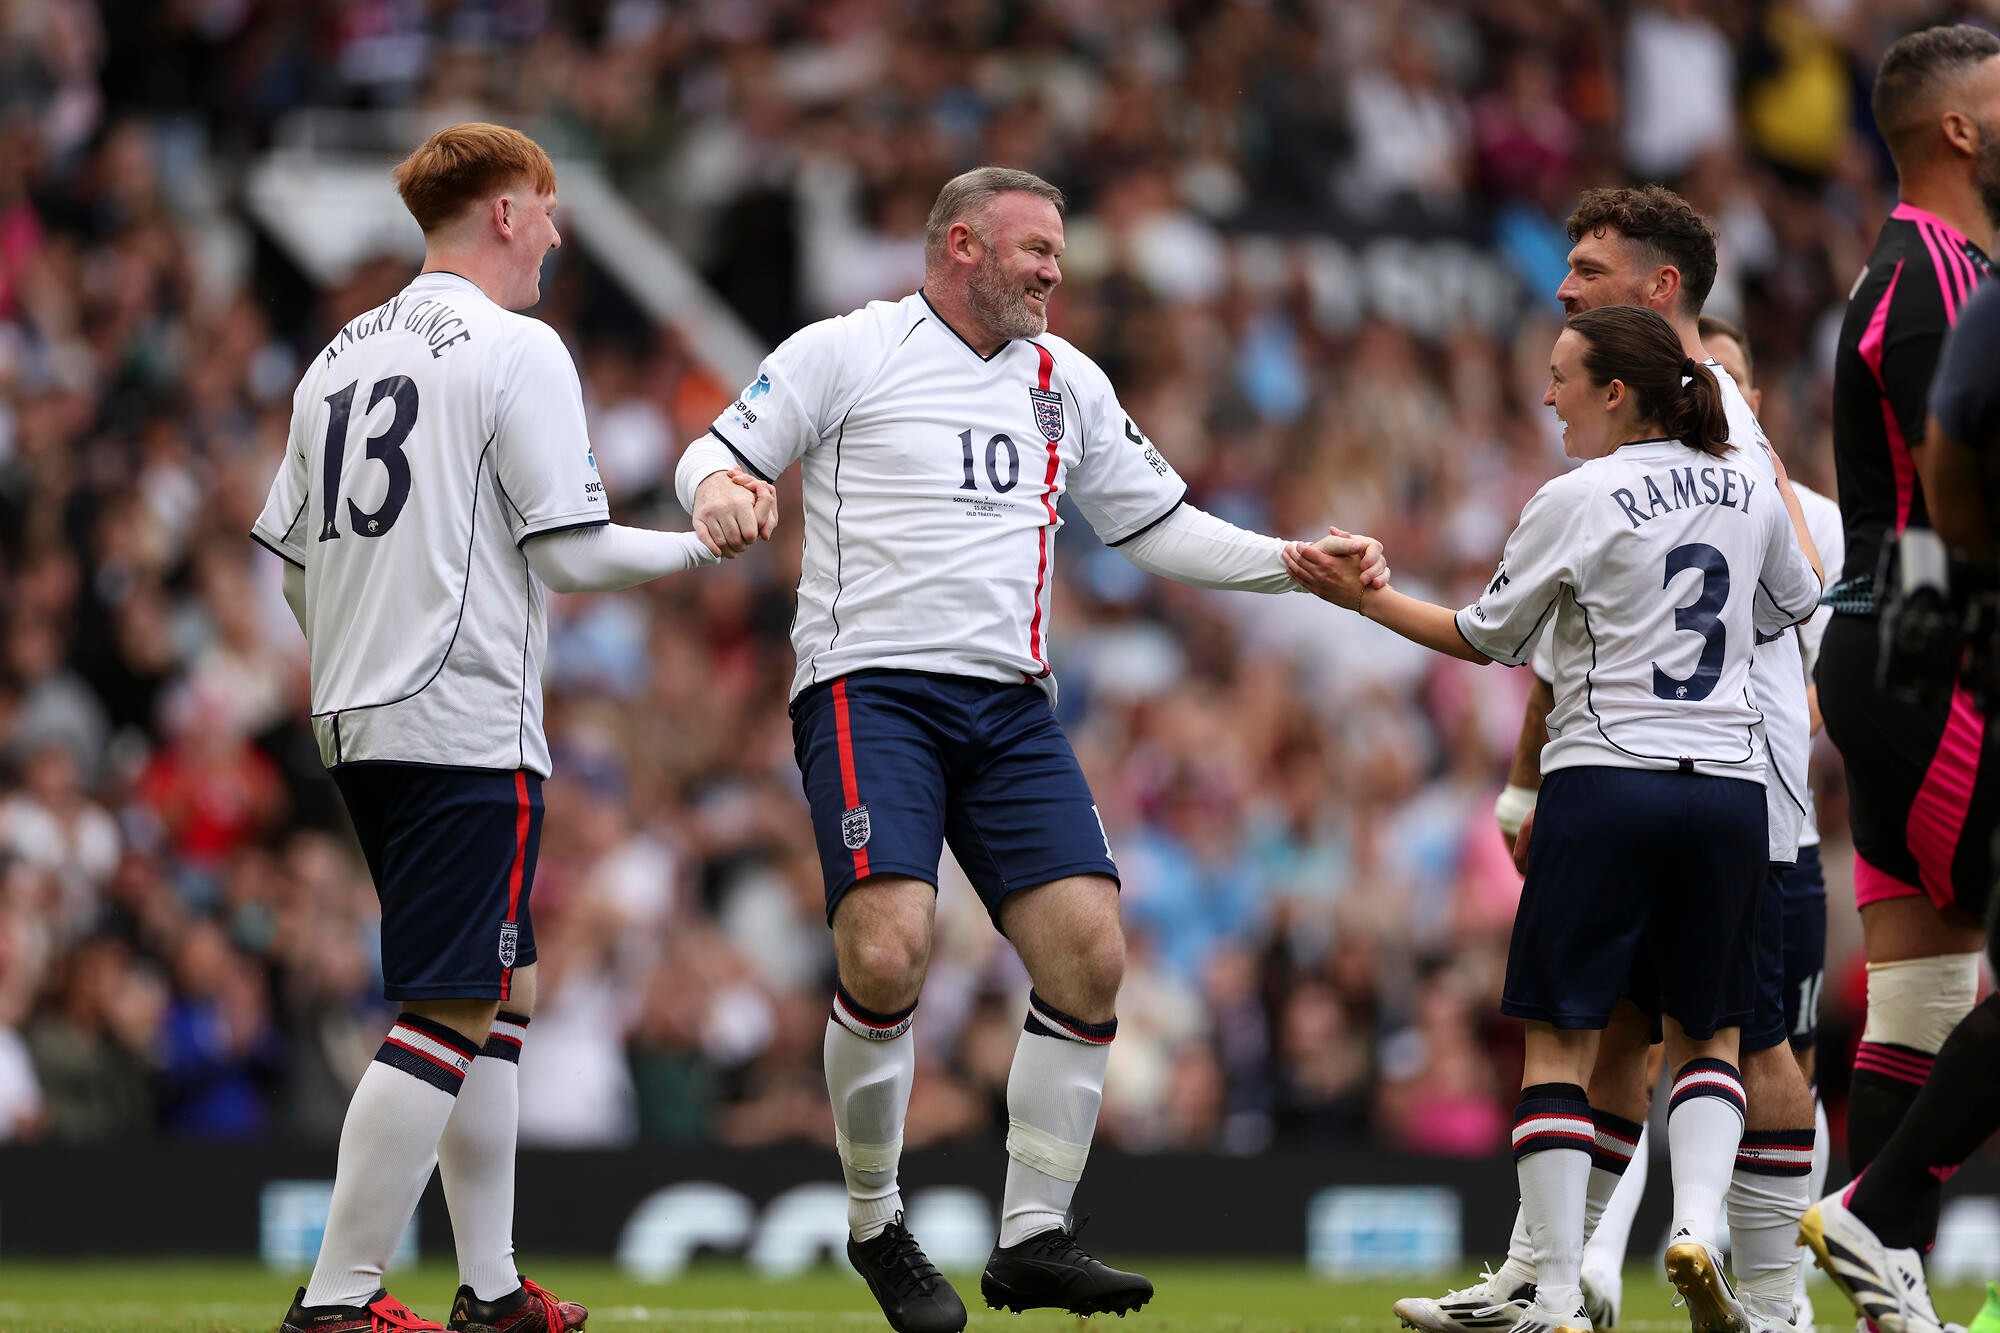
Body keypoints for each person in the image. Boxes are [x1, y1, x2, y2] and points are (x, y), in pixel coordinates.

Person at [669, 165, 1384, 1333]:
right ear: (960, 245)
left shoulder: (1070, 381)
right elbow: (714, 449)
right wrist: (722, 493)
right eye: (1035, 249)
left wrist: (1290, 562)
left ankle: (1031, 1234)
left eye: (1058, 251)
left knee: (1090, 955)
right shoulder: (847, 348)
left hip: (1008, 706)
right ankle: (873, 1219)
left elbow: (1156, 523)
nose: (1056, 270)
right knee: (890, 949)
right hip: (870, 691)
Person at [250, 122, 772, 1333]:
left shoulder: (334, 356)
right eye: (544, 207)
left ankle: (489, 1289)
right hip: (462, 717)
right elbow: (573, 552)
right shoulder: (515, 346)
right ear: (498, 213)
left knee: (504, 982)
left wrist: (357, 651)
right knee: (448, 1005)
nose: (553, 229)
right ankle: (336, 1300)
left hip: (360, 713)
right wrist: (705, 539)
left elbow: (288, 562)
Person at [1292, 304, 1822, 1333]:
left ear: (1613, 391)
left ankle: (1548, 1291)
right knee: (1707, 1029)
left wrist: (1361, 598)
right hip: (1725, 791)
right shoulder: (1746, 484)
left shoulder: (1575, 495)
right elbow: (1787, 608)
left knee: (1559, 1040)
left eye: (1560, 377)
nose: (1546, 396)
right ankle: (1694, 1225)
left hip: (1603, 778)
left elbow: (1481, 636)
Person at [1814, 26, 2000, 1246]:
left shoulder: (1925, 265)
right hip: (1924, 655)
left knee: (1921, 999)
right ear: (1958, 129)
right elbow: (1955, 471)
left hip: (1890, 652)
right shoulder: (1937, 273)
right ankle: (1874, 1215)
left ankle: (1882, 1291)